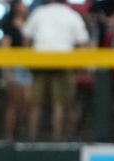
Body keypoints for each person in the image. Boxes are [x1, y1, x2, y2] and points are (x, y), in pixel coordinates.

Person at [23, 0, 91, 141]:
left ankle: (31, 139)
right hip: (63, 62)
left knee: (36, 104)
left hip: (40, 61)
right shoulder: (72, 15)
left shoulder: (39, 12)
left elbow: (27, 39)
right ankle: (58, 140)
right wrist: (81, 68)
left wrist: (28, 63)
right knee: (60, 104)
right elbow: (84, 43)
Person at [0, 0, 33, 140]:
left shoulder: (30, 23)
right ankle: (9, 136)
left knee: (27, 101)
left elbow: (29, 46)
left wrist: (24, 30)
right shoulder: (8, 24)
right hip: (13, 66)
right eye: (21, 4)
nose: (24, 6)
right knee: (13, 102)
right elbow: (4, 47)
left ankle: (21, 133)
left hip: (28, 67)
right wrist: (6, 71)